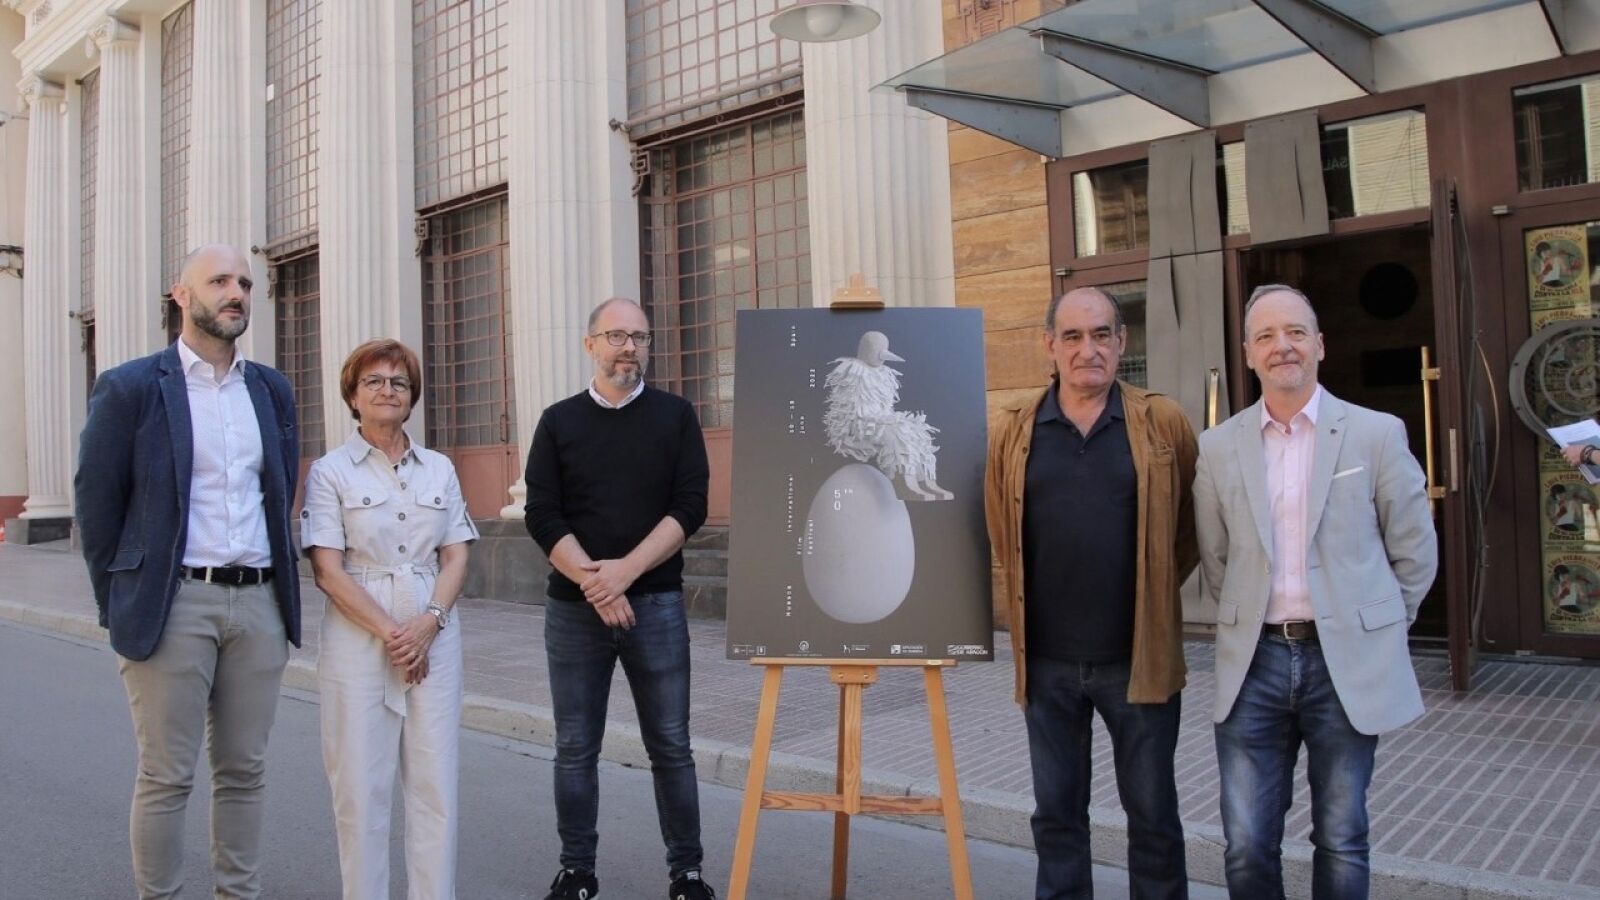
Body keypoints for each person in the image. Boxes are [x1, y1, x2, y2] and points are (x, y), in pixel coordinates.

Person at [1193, 284, 1438, 899]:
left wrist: (1377, 625)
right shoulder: (1217, 447)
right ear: (1248, 353)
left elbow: (1414, 548)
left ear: (1320, 345)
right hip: (1254, 665)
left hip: (1344, 661)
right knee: (1247, 844)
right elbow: (1217, 557)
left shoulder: (1375, 434)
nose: (1283, 346)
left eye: (1296, 332)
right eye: (1266, 336)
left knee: (1342, 837)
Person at [75, 243, 301, 899]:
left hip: (258, 602)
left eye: (246, 284)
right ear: (182, 294)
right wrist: (122, 599)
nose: (236, 293)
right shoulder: (132, 387)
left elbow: (278, 490)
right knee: (166, 775)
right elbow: (97, 503)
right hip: (174, 600)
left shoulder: (270, 389)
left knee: (245, 772)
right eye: (220, 281)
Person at [984, 286, 1198, 899]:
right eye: (1073, 336)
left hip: (1139, 661)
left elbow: (1186, 534)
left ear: (1121, 342)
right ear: (1049, 345)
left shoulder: (1161, 422)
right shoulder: (1016, 430)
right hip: (1046, 664)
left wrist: (1150, 595)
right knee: (1056, 818)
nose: (1088, 349)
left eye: (1101, 334)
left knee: (1153, 819)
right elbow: (1002, 529)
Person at [524, 297, 715, 900]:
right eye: (616, 336)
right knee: (575, 747)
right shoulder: (558, 421)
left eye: (639, 336)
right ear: (590, 345)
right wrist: (594, 583)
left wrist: (625, 573)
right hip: (574, 611)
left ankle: (687, 874)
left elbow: (691, 505)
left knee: (672, 746)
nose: (629, 347)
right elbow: (541, 513)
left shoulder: (675, 416)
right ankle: (577, 871)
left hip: (655, 606)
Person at [301, 339, 478, 899]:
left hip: (433, 630)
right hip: (359, 635)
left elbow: (456, 556)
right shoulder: (330, 472)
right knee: (360, 788)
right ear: (352, 396)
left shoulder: (439, 468)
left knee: (435, 786)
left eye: (399, 382)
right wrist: (395, 636)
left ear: (412, 396)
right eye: (373, 381)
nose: (387, 391)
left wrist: (429, 624)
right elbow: (327, 570)